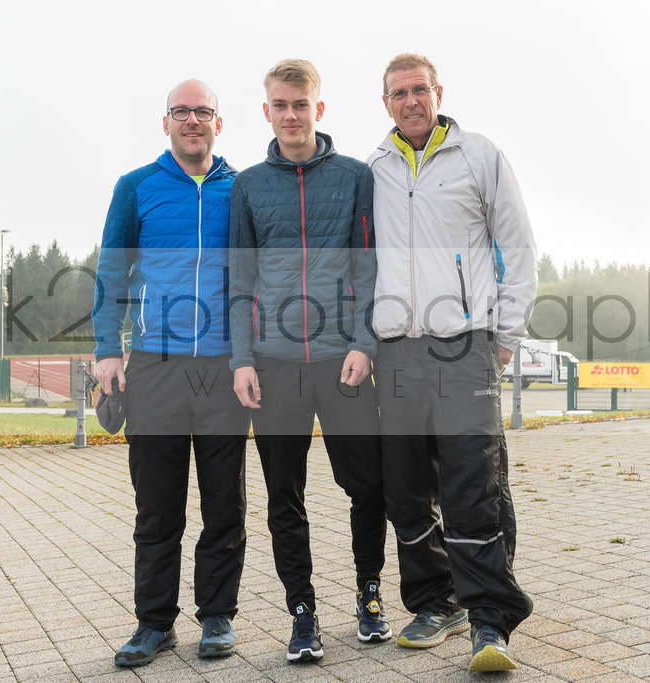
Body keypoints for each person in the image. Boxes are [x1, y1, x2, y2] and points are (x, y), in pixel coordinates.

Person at [366, 53, 538, 672]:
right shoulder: (375, 168)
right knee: (407, 490)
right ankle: (434, 602)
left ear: (439, 92)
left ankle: (490, 618)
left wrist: (504, 335)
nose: (410, 101)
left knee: (473, 484)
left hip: (465, 344)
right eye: (398, 93)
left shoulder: (479, 155)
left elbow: (517, 246)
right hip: (397, 353)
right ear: (384, 102)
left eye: (420, 90)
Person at [229, 58, 389, 663]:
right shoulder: (248, 186)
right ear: (266, 111)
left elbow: (368, 268)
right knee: (283, 495)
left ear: (318, 110)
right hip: (273, 365)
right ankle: (302, 612)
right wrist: (242, 358)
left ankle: (370, 593)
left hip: (341, 361)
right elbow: (239, 279)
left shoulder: (354, 177)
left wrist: (364, 343)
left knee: (367, 483)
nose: (291, 115)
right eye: (280, 105)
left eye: (301, 104)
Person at [91, 79, 250, 667]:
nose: (192, 120)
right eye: (181, 112)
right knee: (157, 507)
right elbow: (111, 275)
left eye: (202, 111)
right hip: (154, 367)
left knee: (223, 504)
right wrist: (108, 348)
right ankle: (154, 623)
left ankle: (216, 617)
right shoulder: (136, 188)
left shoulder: (243, 188)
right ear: (166, 123)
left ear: (218, 122)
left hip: (223, 369)